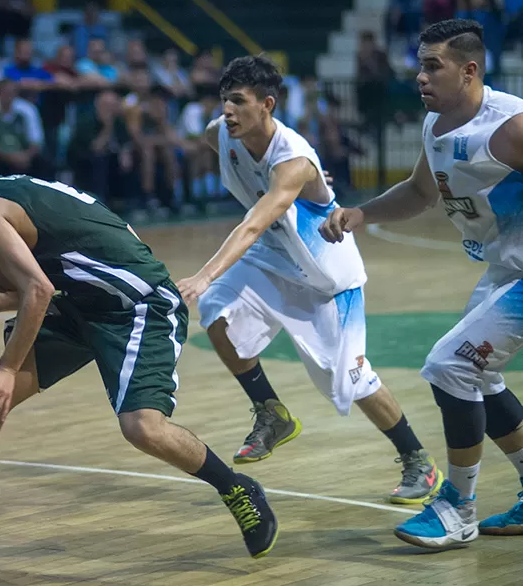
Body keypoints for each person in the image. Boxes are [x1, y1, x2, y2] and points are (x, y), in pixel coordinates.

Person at [0, 126, 279, 559]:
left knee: (141, 427)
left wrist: (6, 371)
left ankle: (238, 488)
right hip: (80, 304)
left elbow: (37, 292)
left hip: (136, 305)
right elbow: (18, 288)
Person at [175, 55, 441, 505]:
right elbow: (241, 170)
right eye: (224, 101)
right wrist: (310, 176)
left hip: (326, 278)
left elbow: (253, 224)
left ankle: (418, 459)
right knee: (216, 310)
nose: (227, 111)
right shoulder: (218, 134)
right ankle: (270, 411)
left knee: (352, 382)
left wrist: (202, 274)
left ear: (268, 104)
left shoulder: (292, 159)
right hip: (272, 260)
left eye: (238, 102)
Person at [321, 19, 523, 549]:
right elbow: (419, 192)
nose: (420, 76)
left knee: (450, 365)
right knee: (480, 376)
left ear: (470, 70)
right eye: (420, 65)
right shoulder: (436, 127)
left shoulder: (511, 128)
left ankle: (459, 507)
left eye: (433, 66)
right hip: (506, 269)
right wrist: (359, 214)